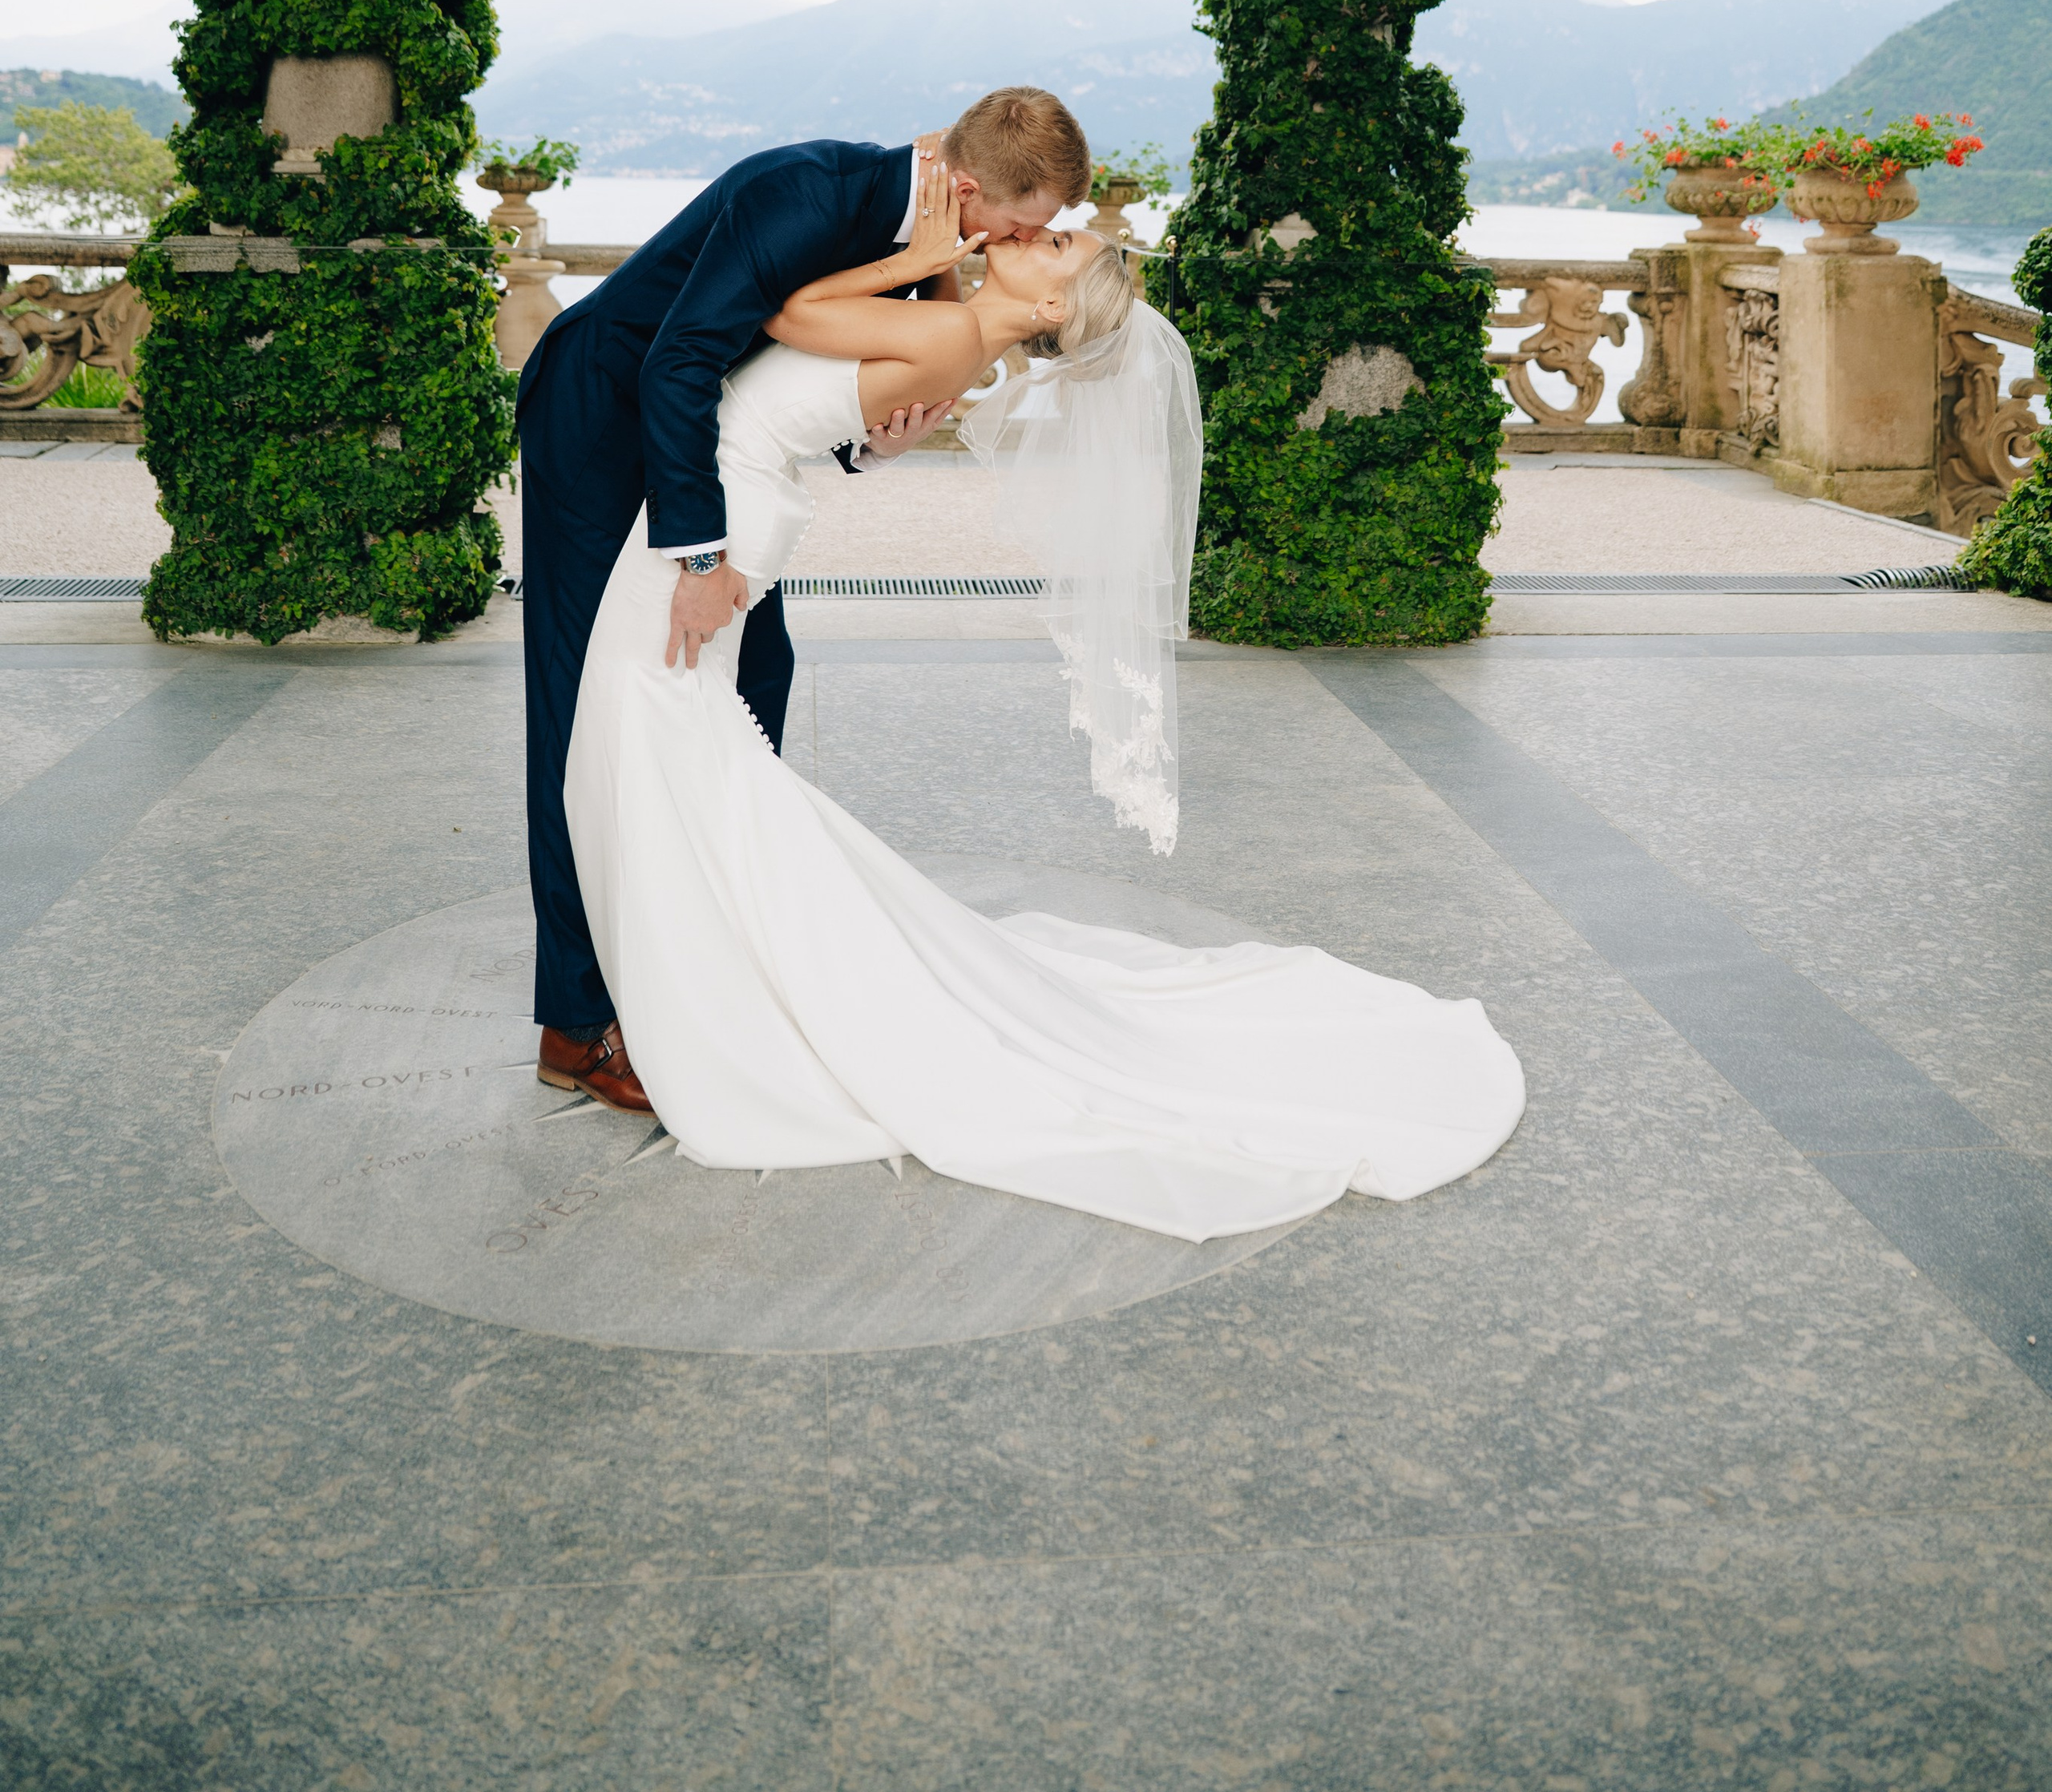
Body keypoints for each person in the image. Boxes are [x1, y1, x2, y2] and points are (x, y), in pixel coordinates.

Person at [559, 162, 1525, 1242]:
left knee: (663, 751)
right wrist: (930, 284)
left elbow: (787, 311)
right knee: (667, 755)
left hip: (722, 537)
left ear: (1053, 307)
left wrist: (918, 261)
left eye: (1055, 247)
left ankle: (719, 994)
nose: (1042, 235)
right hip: (737, 520)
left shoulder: (949, 339)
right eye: (1048, 229)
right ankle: (701, 978)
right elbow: (807, 374)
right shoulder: (954, 336)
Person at [515, 88, 1090, 1112]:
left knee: (755, 676)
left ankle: (708, 928)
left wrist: (880, 442)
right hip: (602, 414)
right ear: (967, 189)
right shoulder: (805, 192)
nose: (1027, 241)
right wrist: (699, 562)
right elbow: (678, 361)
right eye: (1021, 224)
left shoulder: (934, 256)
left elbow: (818, 387)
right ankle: (577, 1018)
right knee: (581, 710)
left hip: (715, 456)